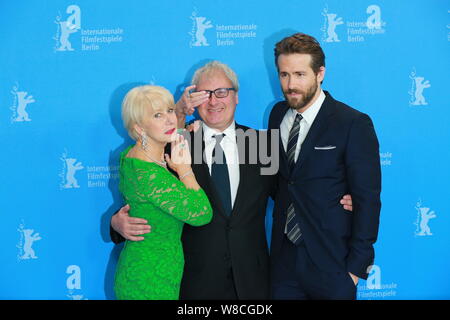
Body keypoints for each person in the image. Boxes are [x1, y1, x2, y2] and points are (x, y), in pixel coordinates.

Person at [110, 61, 354, 299]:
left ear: (236, 97)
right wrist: (116, 225)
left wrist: (337, 198)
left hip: (252, 281)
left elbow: (290, 193)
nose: (214, 101)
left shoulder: (261, 143)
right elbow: (142, 192)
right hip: (192, 282)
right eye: (205, 94)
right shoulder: (176, 142)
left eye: (222, 92)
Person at [269, 33, 381, 300]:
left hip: (333, 262)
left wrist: (355, 269)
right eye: (284, 74)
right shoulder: (276, 114)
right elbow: (274, 178)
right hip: (284, 261)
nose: (290, 84)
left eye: (299, 74)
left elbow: (368, 200)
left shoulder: (352, 123)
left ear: (320, 73)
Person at [114, 85, 212, 300]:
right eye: (158, 115)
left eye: (169, 110)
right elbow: (202, 213)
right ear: (139, 128)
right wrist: (185, 169)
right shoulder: (148, 173)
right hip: (150, 281)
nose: (169, 120)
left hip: (151, 270)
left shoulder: (133, 156)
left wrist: (184, 127)